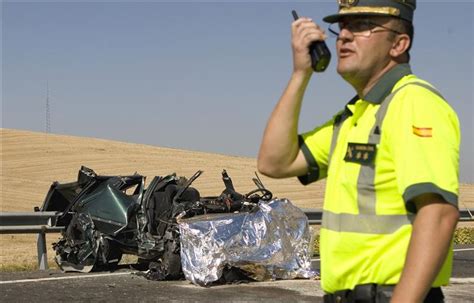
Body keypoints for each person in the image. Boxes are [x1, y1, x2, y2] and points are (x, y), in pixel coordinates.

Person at [257, 1, 460, 302]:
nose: (345, 36)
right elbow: (274, 162)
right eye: (344, 26)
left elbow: (439, 213)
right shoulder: (355, 117)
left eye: (363, 25)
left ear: (399, 44)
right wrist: (301, 73)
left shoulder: (413, 103)